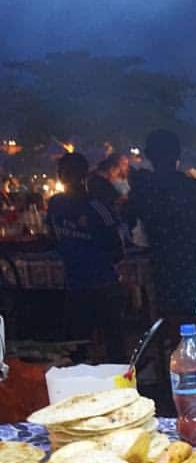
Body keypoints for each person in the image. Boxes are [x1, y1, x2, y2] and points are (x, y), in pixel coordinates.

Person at [127, 129, 196, 320]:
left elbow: (134, 235)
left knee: (174, 332)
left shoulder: (143, 193)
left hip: (166, 276)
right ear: (178, 155)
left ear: (148, 156)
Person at [45, 153, 126, 361]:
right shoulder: (91, 206)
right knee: (104, 344)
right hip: (92, 284)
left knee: (84, 344)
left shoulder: (66, 206)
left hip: (91, 284)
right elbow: (117, 248)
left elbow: (53, 237)